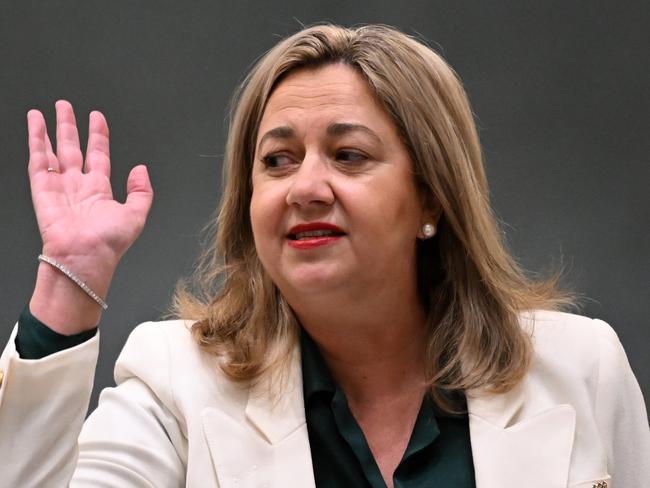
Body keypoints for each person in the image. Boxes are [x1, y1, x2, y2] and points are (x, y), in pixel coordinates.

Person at [0, 23, 648, 488]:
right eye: (277, 161)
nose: (306, 188)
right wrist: (70, 287)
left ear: (431, 197)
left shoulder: (581, 368)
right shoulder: (174, 381)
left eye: (348, 155)